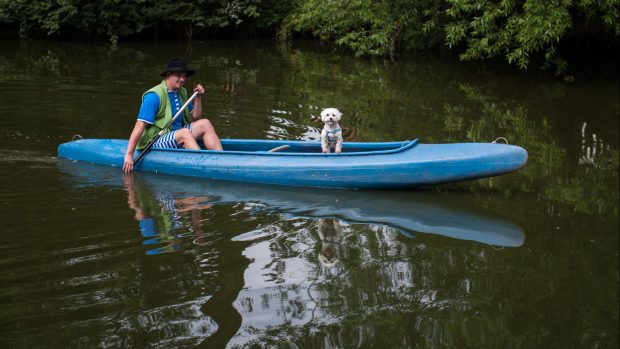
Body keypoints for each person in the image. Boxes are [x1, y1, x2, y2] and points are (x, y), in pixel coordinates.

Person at [123, 58, 223, 173]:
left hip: (178, 133)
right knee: (184, 133)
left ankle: (220, 160)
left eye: (184, 76)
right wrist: (129, 155)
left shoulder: (181, 92)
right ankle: (205, 167)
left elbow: (196, 117)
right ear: (168, 75)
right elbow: (139, 126)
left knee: (205, 123)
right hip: (156, 139)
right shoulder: (154, 96)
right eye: (179, 76)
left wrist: (198, 98)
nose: (182, 79)